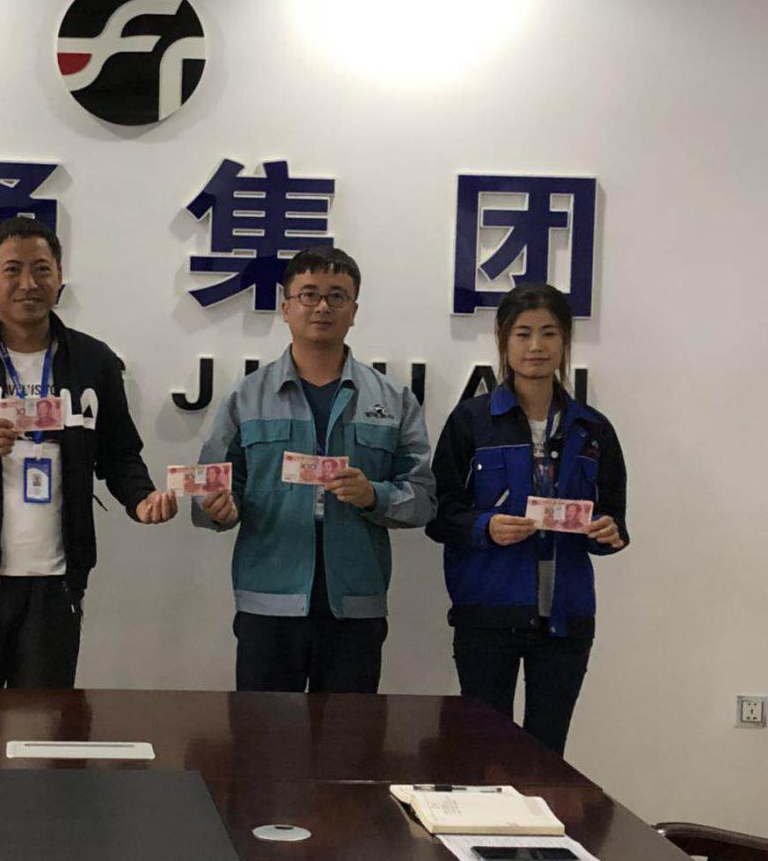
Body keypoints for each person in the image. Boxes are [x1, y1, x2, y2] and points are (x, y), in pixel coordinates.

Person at [0, 216, 177, 688]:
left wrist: (141, 499)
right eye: (12, 270)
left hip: (59, 576)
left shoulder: (94, 361)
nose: (29, 284)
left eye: (42, 269)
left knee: (44, 717)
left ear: (59, 277)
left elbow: (119, 453)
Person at [193, 246, 435, 693]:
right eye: (309, 294)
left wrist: (374, 495)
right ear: (286, 307)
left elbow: (422, 498)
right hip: (267, 603)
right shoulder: (247, 397)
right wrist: (217, 509)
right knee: (263, 733)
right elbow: (213, 488)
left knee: (349, 736)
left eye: (337, 296)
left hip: (355, 605)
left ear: (354, 311)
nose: (322, 306)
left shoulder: (393, 400)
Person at [425, 282, 628, 755]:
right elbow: (439, 513)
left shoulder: (592, 428)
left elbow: (614, 518)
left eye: (549, 333)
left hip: (566, 618)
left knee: (547, 755)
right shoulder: (471, 421)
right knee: (481, 754)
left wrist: (606, 531)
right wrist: (485, 527)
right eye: (523, 333)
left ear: (565, 341)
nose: (536, 346)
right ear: (503, 340)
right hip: (487, 613)